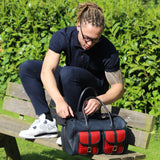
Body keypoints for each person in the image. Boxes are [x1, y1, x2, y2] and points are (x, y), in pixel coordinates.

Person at [18, 1, 124, 143]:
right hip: (70, 81)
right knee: (27, 68)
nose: (89, 44)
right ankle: (47, 121)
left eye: (95, 40)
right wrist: (59, 101)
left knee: (68, 73)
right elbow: (47, 70)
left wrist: (99, 100)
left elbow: (118, 88)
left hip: (91, 93)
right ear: (78, 25)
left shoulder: (108, 50)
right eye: (86, 38)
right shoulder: (63, 36)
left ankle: (76, 126)